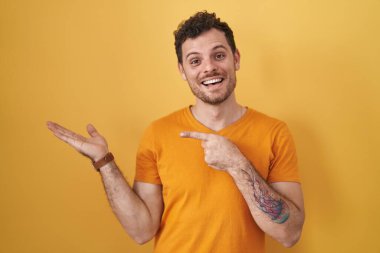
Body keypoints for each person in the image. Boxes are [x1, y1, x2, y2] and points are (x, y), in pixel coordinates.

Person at [47, 11, 304, 253]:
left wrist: (237, 164)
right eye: (195, 61)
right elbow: (141, 231)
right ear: (183, 70)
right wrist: (104, 162)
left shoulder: (274, 132)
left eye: (219, 55)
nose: (208, 68)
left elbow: (289, 233)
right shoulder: (158, 133)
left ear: (236, 59)